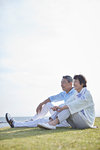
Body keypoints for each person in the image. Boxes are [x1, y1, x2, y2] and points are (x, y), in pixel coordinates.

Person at [5, 75, 76, 128]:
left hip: (66, 119)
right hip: (60, 114)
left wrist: (58, 107)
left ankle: (15, 124)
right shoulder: (64, 93)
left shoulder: (75, 92)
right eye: (61, 82)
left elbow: (70, 105)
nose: (61, 85)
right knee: (48, 104)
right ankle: (32, 120)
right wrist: (41, 104)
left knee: (41, 121)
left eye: (63, 82)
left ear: (70, 83)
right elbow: (51, 98)